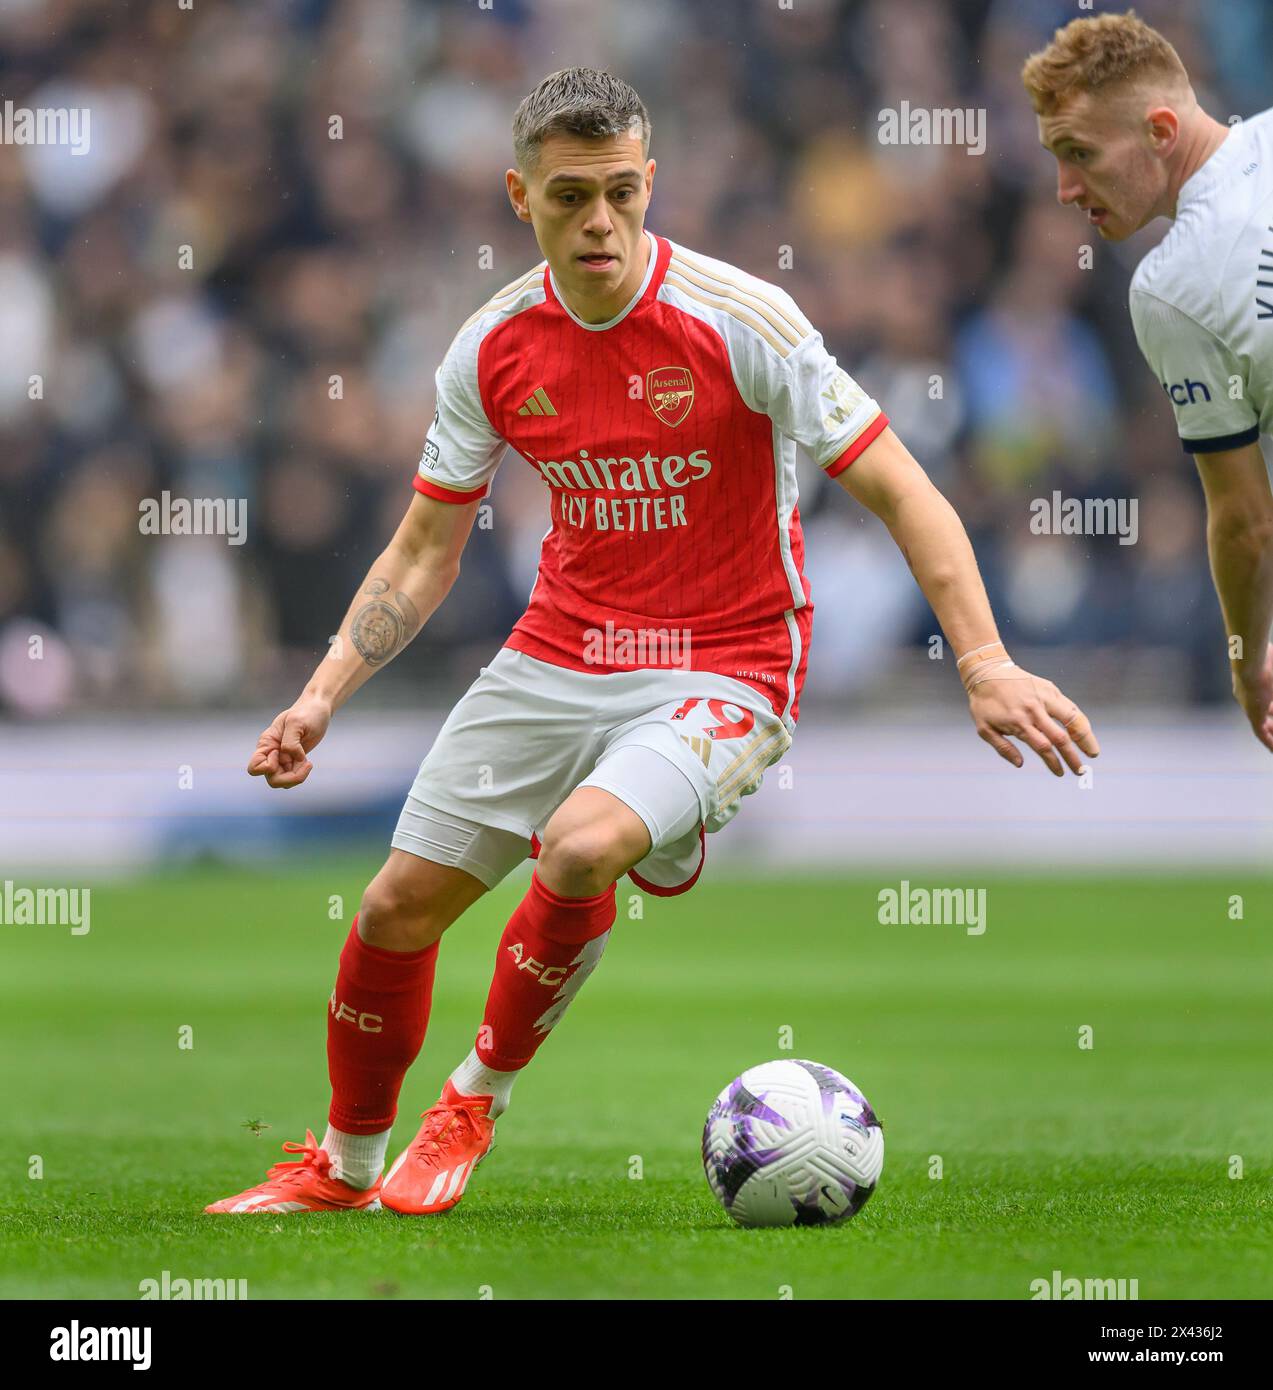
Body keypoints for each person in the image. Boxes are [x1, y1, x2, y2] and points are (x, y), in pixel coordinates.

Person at [206, 67, 1097, 1217]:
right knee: (390, 911)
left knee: (576, 851)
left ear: (649, 183)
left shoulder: (742, 320)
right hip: (558, 652)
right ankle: (341, 1167)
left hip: (727, 661)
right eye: (570, 196)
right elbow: (426, 548)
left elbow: (903, 487)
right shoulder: (490, 351)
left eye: (621, 192)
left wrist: (981, 662)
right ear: (516, 196)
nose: (600, 223)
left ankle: (473, 1096)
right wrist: (323, 692)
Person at [1025, 10, 1273, 751]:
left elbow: (1244, 521)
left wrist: (1243, 661)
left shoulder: (1170, 288)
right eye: (1053, 157)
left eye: (1080, 154)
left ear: (1160, 133)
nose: (1066, 188)